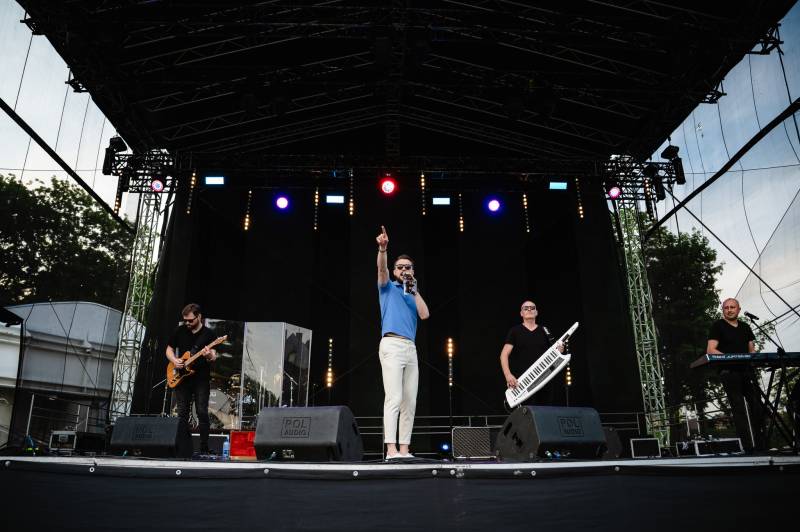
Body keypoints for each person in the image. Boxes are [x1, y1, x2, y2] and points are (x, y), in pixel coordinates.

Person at [376, 226, 430, 460]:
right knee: (394, 398)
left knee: (410, 400)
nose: (404, 270)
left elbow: (425, 314)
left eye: (408, 267)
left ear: (413, 271)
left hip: (410, 347)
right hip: (391, 345)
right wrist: (383, 249)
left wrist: (414, 290)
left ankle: (405, 449)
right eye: (400, 267)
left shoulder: (412, 293)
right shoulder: (387, 286)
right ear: (395, 270)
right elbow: (381, 269)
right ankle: (391, 449)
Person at [706, 298, 765, 452]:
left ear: (739, 309)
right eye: (726, 307)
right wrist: (731, 357)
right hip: (729, 372)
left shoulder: (745, 327)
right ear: (723, 310)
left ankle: (761, 444)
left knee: (757, 406)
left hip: (747, 371)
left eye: (732, 307)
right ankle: (747, 446)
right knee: (739, 408)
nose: (729, 310)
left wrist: (753, 358)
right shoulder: (718, 326)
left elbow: (751, 350)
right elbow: (711, 350)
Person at [166, 303, 218, 455]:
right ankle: (183, 447)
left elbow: (213, 356)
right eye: (185, 320)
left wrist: (208, 355)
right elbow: (169, 349)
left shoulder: (209, 334)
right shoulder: (180, 330)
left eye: (190, 320)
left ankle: (204, 448)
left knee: (201, 411)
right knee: (182, 413)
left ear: (199, 316)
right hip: (182, 378)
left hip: (201, 379)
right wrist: (174, 360)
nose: (187, 323)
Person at [500, 300, 564, 406]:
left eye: (532, 308)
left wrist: (560, 350)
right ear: (521, 313)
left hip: (544, 378)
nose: (529, 309)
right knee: (527, 412)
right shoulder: (515, 331)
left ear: (536, 312)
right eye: (526, 308)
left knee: (545, 410)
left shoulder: (545, 330)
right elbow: (504, 355)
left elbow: (556, 352)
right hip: (523, 382)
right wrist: (508, 375)